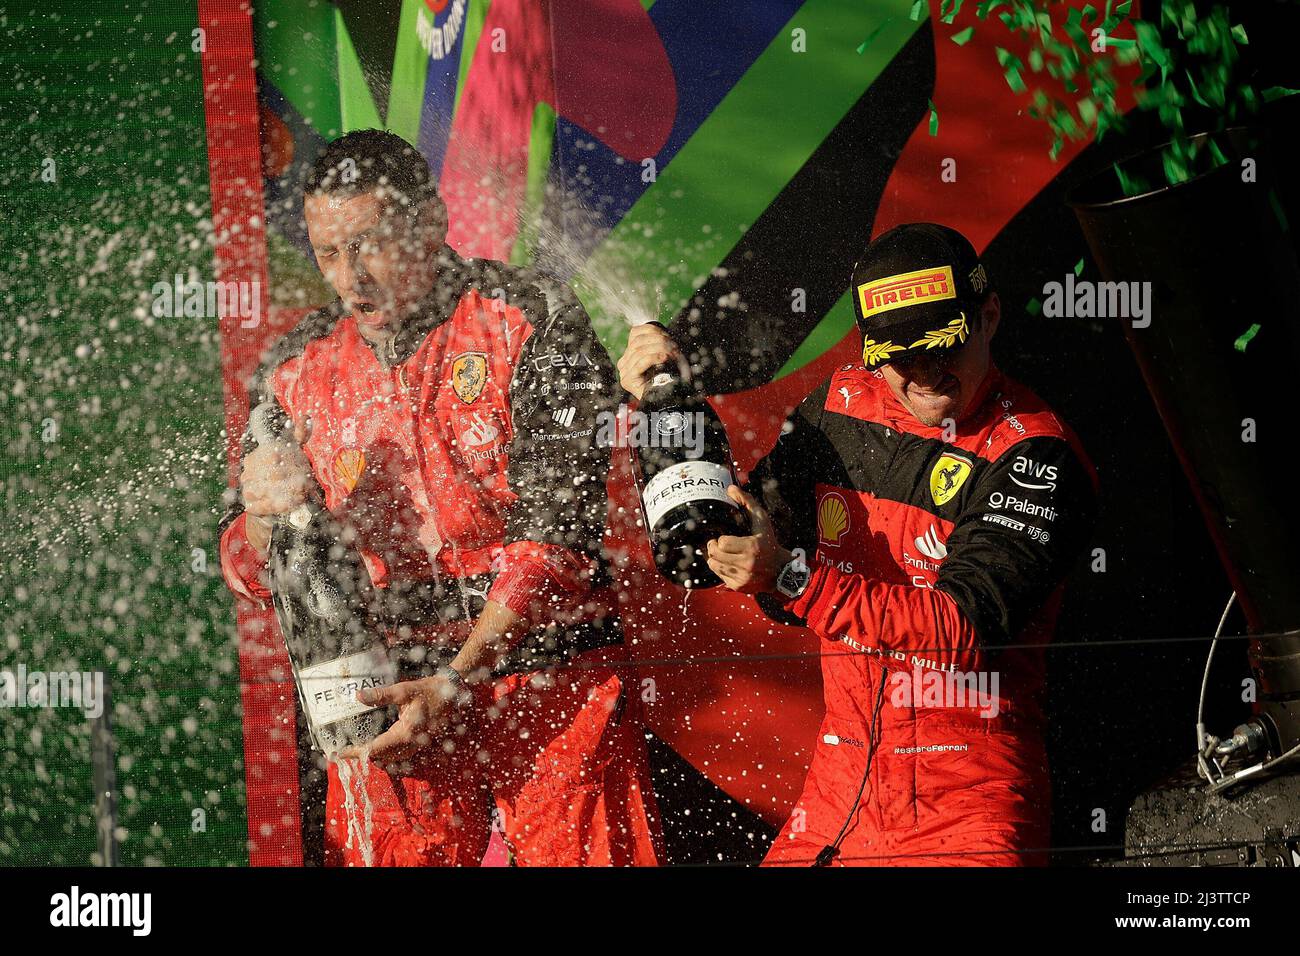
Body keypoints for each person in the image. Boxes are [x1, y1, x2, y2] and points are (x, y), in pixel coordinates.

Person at [219, 129, 661, 866]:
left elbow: (561, 531)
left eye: (368, 244)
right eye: (329, 253)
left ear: (430, 222)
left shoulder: (529, 313)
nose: (350, 277)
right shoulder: (295, 369)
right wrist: (262, 523)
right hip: (388, 698)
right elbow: (242, 560)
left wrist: (460, 674)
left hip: (546, 671)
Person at [618, 223, 1096, 866]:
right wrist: (665, 401)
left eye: (942, 347)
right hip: (835, 803)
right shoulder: (842, 404)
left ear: (988, 316)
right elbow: (737, 537)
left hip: (965, 811)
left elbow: (955, 634)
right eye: (901, 356)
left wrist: (791, 579)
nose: (924, 374)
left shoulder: (1036, 453)